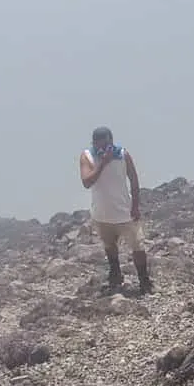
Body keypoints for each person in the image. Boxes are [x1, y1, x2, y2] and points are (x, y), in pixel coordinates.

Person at [79, 126, 152, 295]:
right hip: (102, 214)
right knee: (110, 246)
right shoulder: (88, 157)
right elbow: (87, 182)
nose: (102, 149)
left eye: (105, 144)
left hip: (125, 212)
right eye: (98, 145)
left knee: (138, 246)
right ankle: (115, 275)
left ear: (111, 141)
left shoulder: (123, 154)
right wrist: (102, 163)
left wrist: (135, 205)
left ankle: (144, 280)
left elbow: (134, 179)